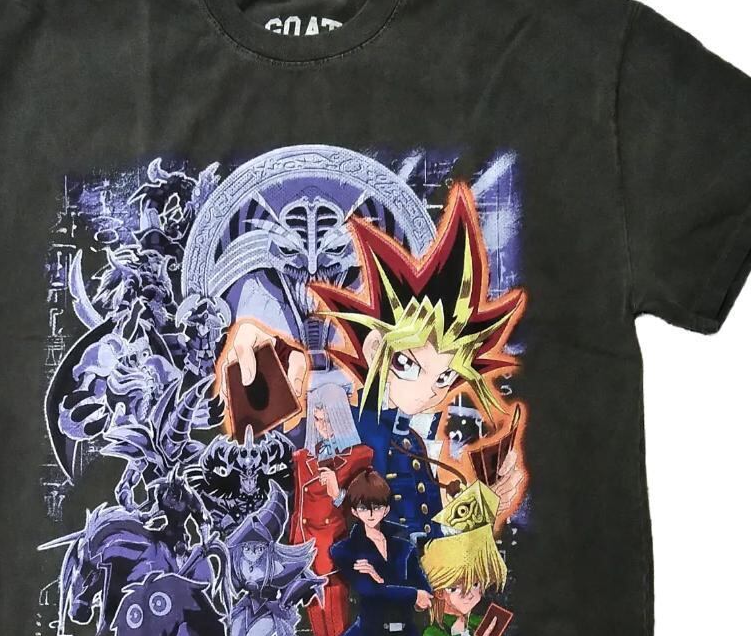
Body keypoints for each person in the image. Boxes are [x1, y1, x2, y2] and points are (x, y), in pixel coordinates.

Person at [220, 183, 528, 547]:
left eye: (445, 377)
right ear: (375, 348)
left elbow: (431, 529)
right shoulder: (353, 424)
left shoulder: (412, 438)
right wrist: (253, 362)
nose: (430, 390)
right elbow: (283, 458)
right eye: (409, 364)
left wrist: (484, 507)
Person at [299, 469, 438, 636]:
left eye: (377, 506)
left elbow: (424, 591)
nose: (371, 513)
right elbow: (370, 592)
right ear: (354, 510)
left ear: (386, 509)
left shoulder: (403, 544)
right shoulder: (346, 550)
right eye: (364, 507)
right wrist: (407, 593)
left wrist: (381, 579)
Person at [289, 384, 373, 636]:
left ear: (340, 417)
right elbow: (299, 507)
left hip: (334, 551)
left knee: (337, 629)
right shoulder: (303, 457)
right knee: (318, 628)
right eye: (317, 419)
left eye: (328, 419)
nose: (322, 426)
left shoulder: (358, 457)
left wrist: (339, 494)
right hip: (305, 553)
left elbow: (368, 508)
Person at [419, 481, 508, 636]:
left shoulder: (483, 625)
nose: (468, 593)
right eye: (455, 587)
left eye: (476, 583)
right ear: (439, 592)